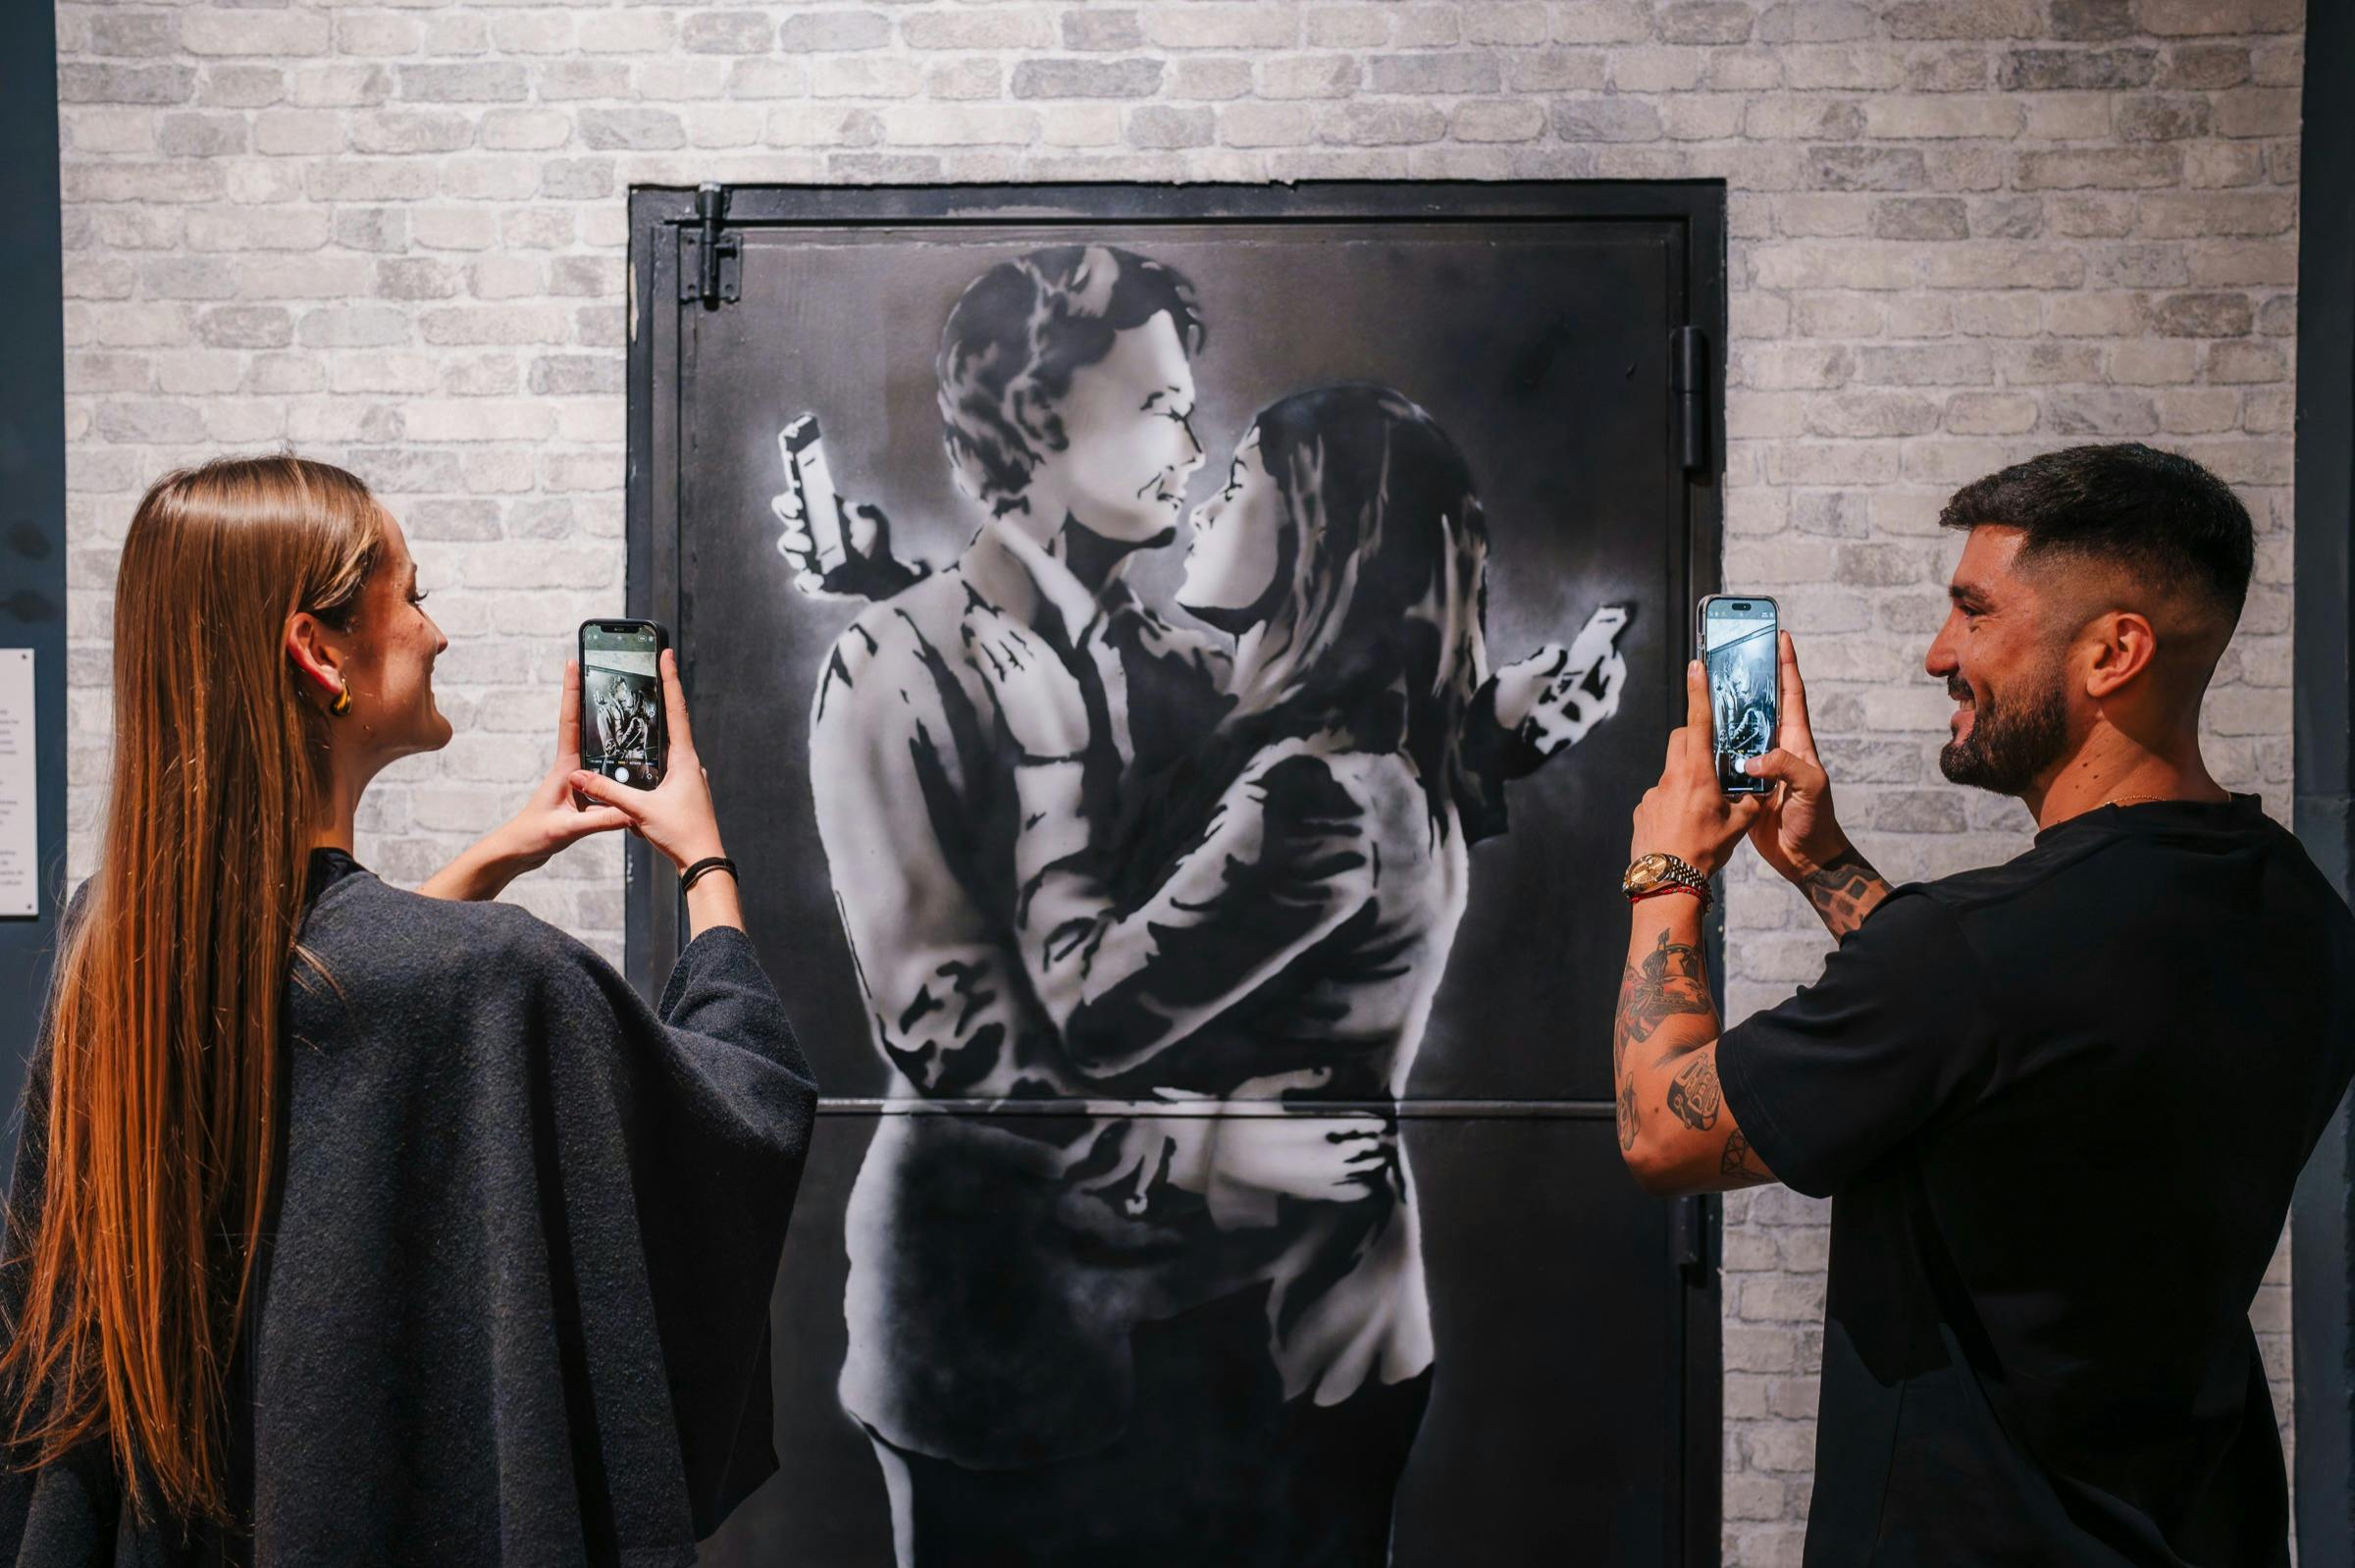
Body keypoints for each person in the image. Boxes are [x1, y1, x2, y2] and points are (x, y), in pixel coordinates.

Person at [0, 456, 818, 1563]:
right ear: (317, 650)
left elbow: (322, 985)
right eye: (415, 596)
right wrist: (703, 862)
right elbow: (745, 1111)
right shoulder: (498, 979)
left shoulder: (119, 948)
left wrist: (497, 853)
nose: (438, 634)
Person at [1611, 442, 2355, 1565]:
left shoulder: (1972, 951)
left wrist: (1667, 871)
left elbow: (1662, 1130)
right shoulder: (2300, 913)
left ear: (2112, 651)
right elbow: (2027, 1042)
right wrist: (1825, 866)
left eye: (1973, 610)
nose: (1938, 652)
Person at [968, 385, 1622, 1562]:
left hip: (1270, 1346)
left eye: (1237, 484)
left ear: (1316, 539)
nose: (1203, 501)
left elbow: (1087, 1017)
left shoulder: (1316, 795)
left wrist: (1047, 777)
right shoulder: (1379, 752)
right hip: (1314, 1326)